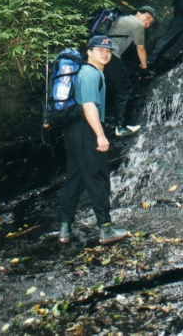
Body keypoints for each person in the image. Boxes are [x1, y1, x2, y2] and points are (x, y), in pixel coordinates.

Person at [59, 35, 129, 245]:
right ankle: (105, 229)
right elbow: (89, 106)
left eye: (107, 50)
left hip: (74, 131)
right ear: (89, 52)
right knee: (98, 177)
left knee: (75, 179)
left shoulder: (88, 72)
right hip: (86, 130)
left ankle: (65, 228)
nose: (104, 53)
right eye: (99, 50)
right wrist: (100, 135)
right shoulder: (90, 74)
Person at [104, 6, 157, 137]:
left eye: (151, 22)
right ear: (138, 12)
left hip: (101, 54)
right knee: (124, 89)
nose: (148, 22)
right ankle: (120, 127)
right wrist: (145, 69)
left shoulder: (122, 19)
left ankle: (105, 124)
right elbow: (141, 48)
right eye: (148, 17)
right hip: (111, 56)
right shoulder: (137, 24)